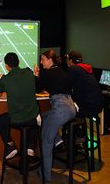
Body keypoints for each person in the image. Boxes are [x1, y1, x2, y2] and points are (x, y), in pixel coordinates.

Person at [34, 49, 76, 182]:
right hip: (71, 107)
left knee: (46, 143)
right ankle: (58, 139)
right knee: (43, 117)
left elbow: (37, 88)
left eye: (43, 60)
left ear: (50, 60)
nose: (41, 62)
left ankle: (45, 177)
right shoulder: (62, 71)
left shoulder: (46, 72)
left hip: (60, 109)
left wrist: (36, 75)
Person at [0, 52, 40, 160]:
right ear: (19, 62)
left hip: (16, 119)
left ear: (6, 66)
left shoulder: (5, 79)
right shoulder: (29, 72)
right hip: (32, 118)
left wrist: (9, 92)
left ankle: (10, 146)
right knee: (34, 114)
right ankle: (31, 146)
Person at [66, 50, 104, 117]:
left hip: (88, 107)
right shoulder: (86, 68)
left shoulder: (73, 69)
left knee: (64, 108)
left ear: (71, 61)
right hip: (98, 105)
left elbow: (66, 86)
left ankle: (74, 127)